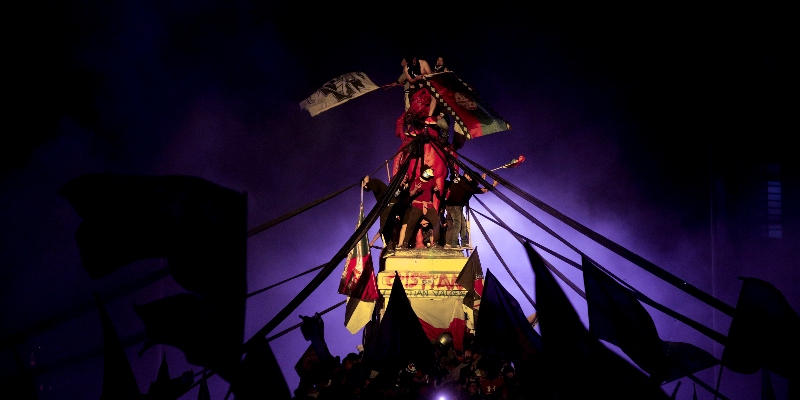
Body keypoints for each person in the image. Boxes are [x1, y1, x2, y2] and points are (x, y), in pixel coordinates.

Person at [443, 172, 496, 249]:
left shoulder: (461, 181)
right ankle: (453, 244)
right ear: (466, 175)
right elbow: (471, 188)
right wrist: (491, 186)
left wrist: (482, 180)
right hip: (453, 205)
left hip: (457, 206)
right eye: (470, 177)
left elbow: (472, 186)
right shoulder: (462, 181)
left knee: (463, 225)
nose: (470, 179)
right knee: (457, 224)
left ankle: (464, 243)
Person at [398, 165, 441, 249]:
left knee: (436, 221)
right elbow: (411, 194)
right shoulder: (416, 181)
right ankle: (405, 243)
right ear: (423, 172)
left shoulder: (432, 180)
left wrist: (436, 190)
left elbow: (437, 191)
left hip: (428, 205)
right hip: (417, 205)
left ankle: (436, 242)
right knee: (411, 224)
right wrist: (416, 189)